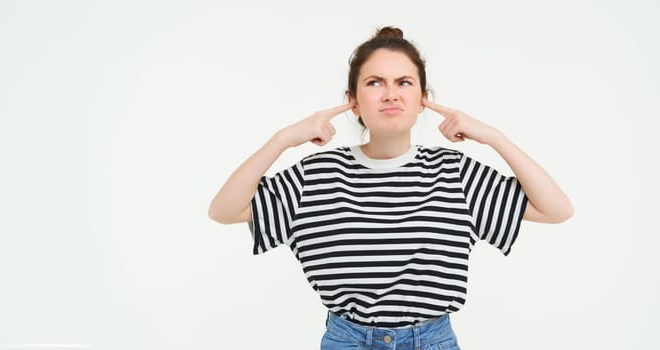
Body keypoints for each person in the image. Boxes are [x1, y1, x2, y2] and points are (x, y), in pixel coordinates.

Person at [208, 26, 573, 350]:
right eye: (374, 82)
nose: (390, 94)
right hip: (346, 341)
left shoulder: (455, 172)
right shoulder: (315, 175)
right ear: (352, 100)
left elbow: (556, 210)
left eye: (404, 83)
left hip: (431, 341)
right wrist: (282, 139)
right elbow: (224, 211)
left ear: (422, 99)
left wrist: (495, 138)